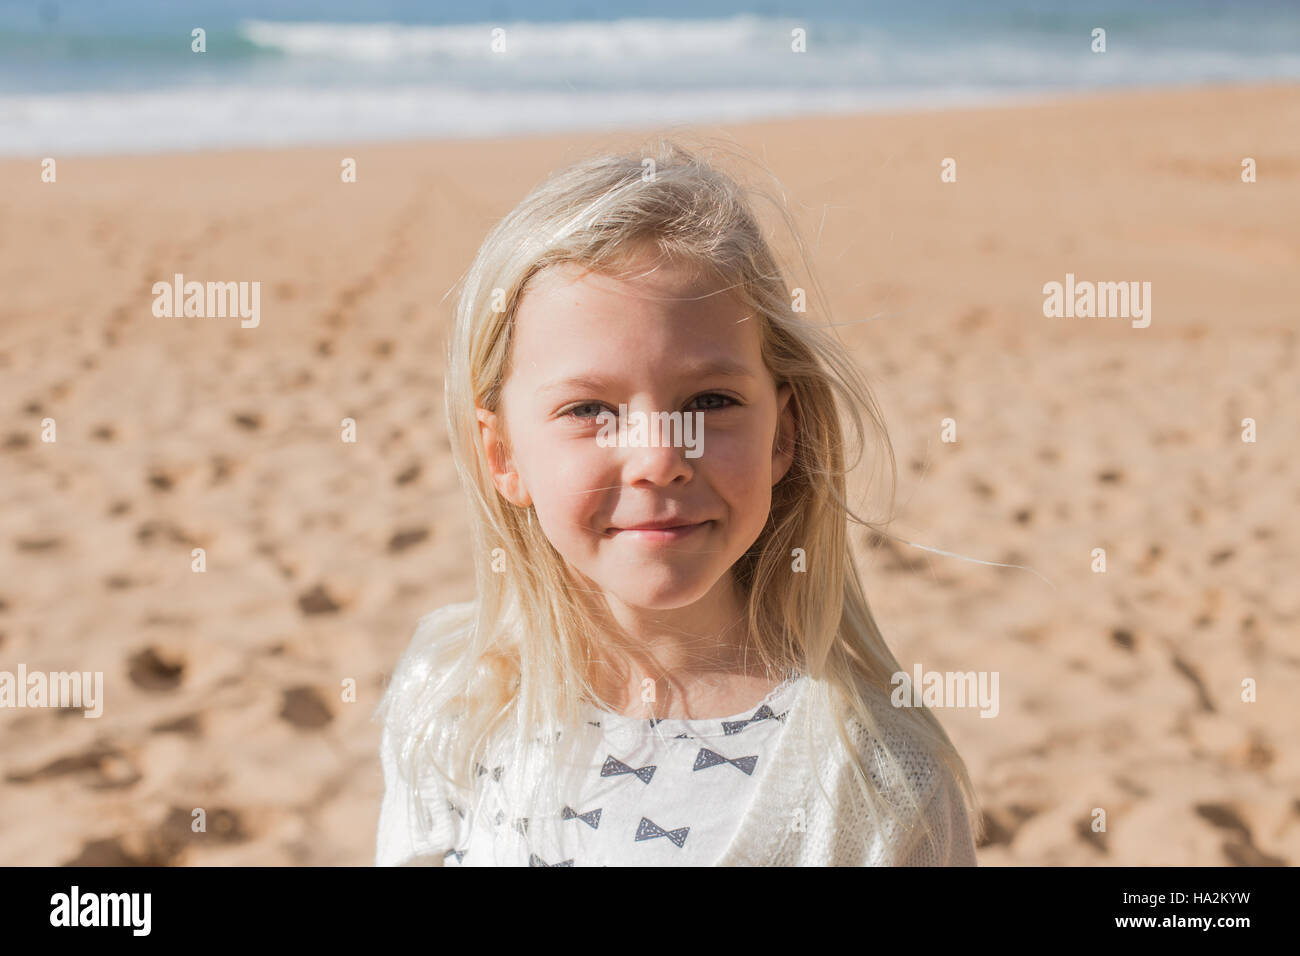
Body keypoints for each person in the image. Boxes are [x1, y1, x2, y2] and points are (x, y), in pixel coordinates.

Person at [375, 137, 983, 866]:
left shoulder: (879, 784)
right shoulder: (450, 695)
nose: (660, 458)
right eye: (590, 410)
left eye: (710, 400)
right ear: (502, 454)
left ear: (781, 434)